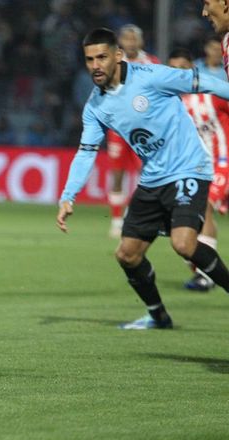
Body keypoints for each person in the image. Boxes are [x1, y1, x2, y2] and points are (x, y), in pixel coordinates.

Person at [56, 28, 229, 330]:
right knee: (127, 255)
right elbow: (86, 152)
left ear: (118, 55)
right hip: (153, 179)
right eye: (89, 59)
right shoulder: (96, 106)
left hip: (189, 168)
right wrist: (68, 195)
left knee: (184, 244)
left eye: (102, 57)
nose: (95, 65)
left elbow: (204, 82)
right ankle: (158, 316)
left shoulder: (150, 77)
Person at [168, 48, 229, 291]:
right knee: (187, 221)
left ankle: (206, 275)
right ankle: (204, 269)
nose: (176, 73)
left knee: (204, 209)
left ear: (192, 69)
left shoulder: (211, 93)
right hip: (195, 167)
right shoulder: (170, 102)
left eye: (181, 68)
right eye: (172, 69)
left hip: (222, 161)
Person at [105, 24, 160, 239]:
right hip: (118, 128)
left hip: (144, 129)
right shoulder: (113, 63)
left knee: (146, 175)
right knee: (117, 175)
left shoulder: (152, 63)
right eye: (126, 38)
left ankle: (136, 214)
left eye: (133, 38)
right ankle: (117, 220)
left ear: (141, 41)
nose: (130, 42)